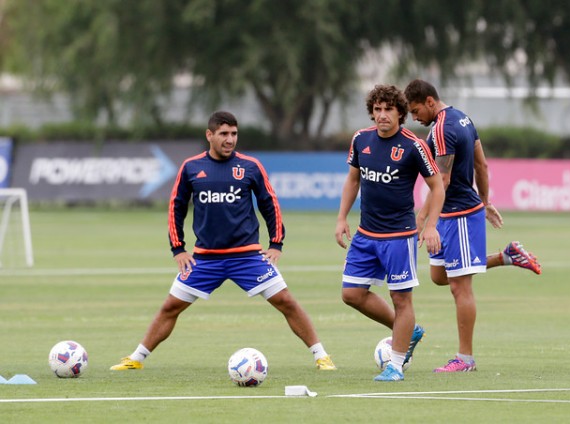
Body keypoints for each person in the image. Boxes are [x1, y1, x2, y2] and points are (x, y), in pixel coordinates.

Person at [110, 110, 336, 372]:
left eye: (234, 134)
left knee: (286, 301)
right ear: (210, 135)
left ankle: (321, 356)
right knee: (170, 306)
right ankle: (136, 358)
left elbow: (269, 203)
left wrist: (276, 244)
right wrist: (178, 249)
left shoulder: (250, 166)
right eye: (224, 134)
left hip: (247, 256)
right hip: (206, 259)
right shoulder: (191, 167)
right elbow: (176, 207)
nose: (230, 139)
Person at [404, 79, 541, 373]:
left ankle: (465, 359)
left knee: (459, 287)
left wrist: (423, 219)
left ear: (429, 101)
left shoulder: (441, 129)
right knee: (440, 276)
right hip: (452, 213)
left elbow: (442, 180)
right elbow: (482, 164)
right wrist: (486, 200)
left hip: (460, 215)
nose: (414, 118)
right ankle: (507, 256)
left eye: (415, 111)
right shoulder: (462, 118)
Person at [335, 84, 445, 381]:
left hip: (398, 236)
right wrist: (341, 217)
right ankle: (409, 330)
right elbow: (353, 181)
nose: (382, 115)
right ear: (372, 112)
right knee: (352, 294)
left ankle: (395, 366)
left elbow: (437, 187)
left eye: (388, 110)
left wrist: (431, 225)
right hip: (365, 235)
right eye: (377, 110)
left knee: (401, 299)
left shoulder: (413, 145)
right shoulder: (361, 139)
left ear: (400, 112)